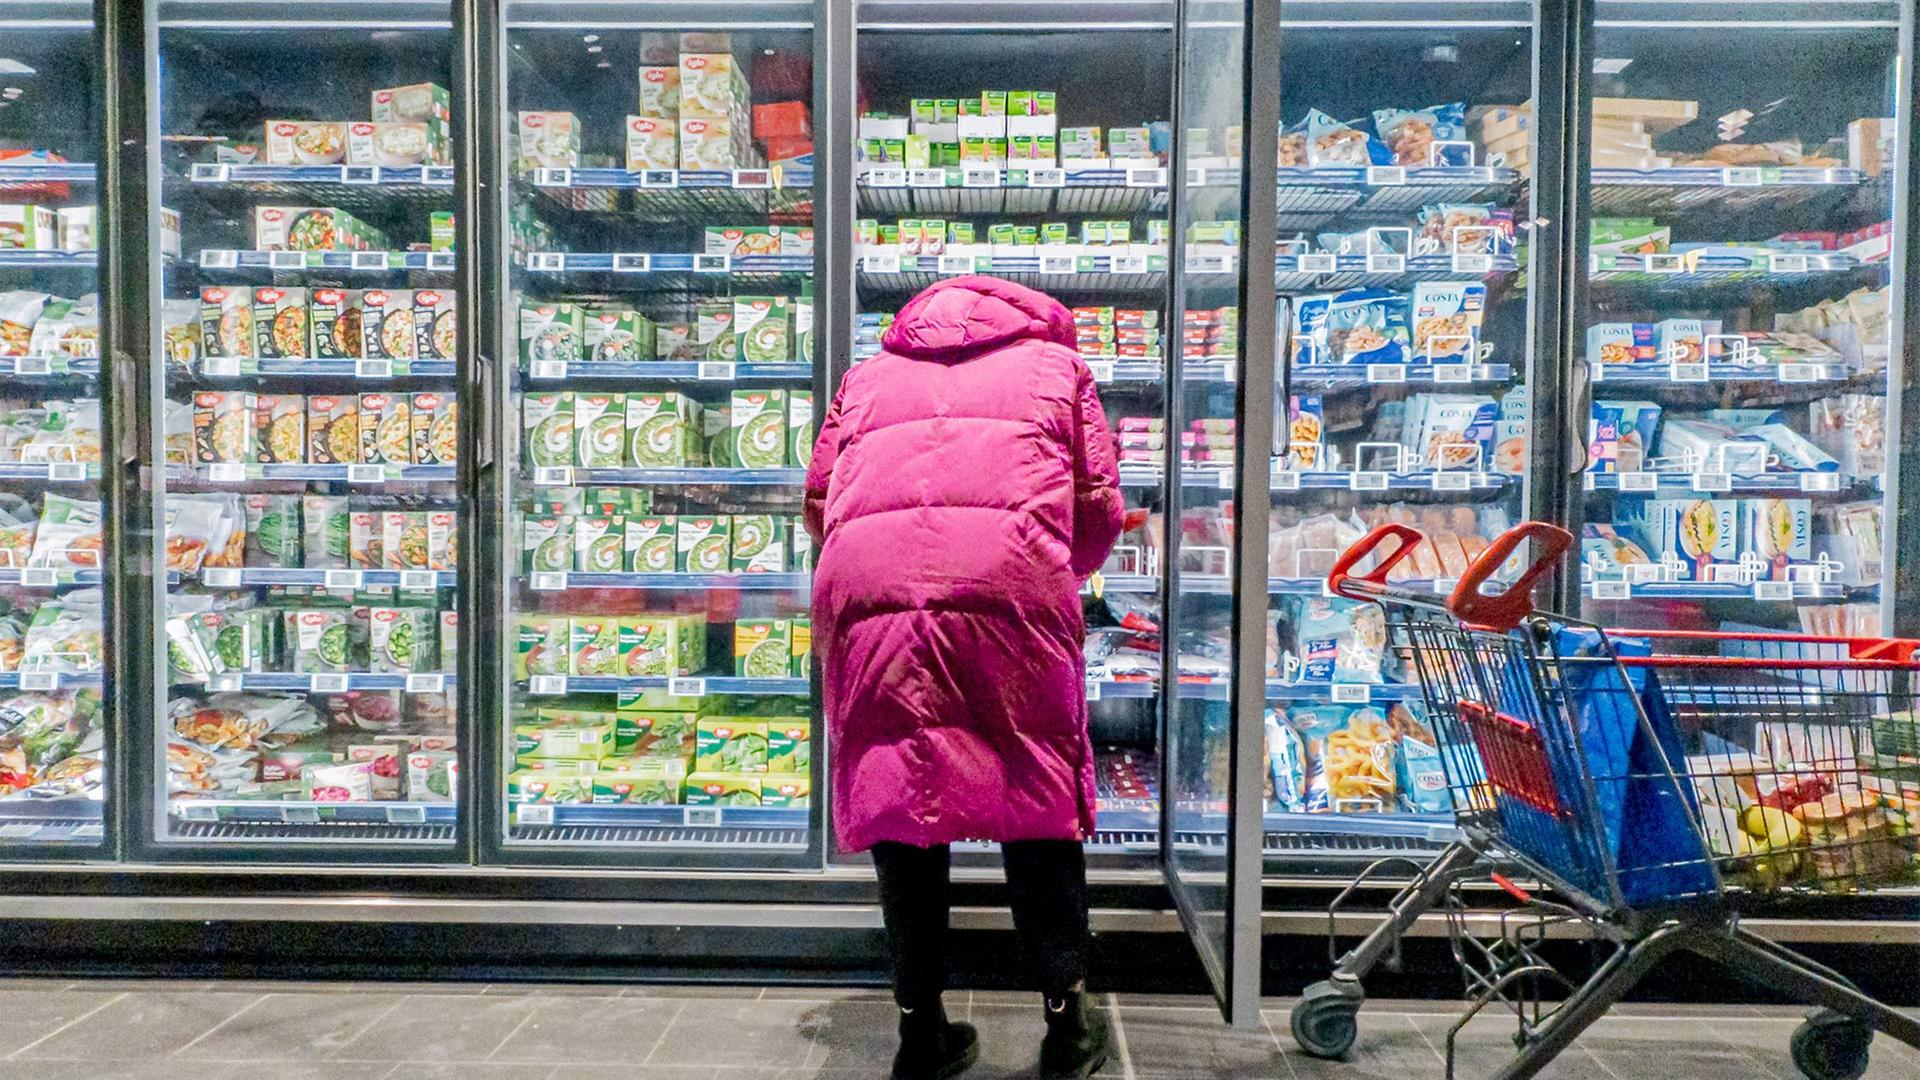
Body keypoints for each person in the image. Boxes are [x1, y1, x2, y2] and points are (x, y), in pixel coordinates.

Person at [804, 276, 1124, 1080]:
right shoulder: (1058, 368)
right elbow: (1096, 512)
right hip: (1009, 588)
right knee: (1035, 794)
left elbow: (819, 501)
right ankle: (1067, 1029)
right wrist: (1052, 568)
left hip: (870, 596)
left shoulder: (865, 377)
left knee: (901, 793)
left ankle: (921, 1035)